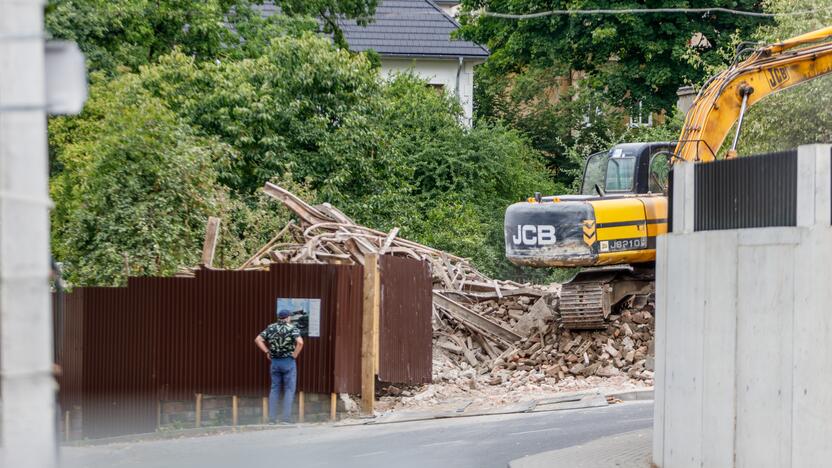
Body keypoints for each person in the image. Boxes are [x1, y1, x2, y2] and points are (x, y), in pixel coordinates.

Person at [255, 309, 304, 423]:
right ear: (288, 318)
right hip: (288, 362)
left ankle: (272, 419)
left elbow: (258, 340)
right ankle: (286, 419)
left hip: (275, 362)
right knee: (289, 389)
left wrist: (267, 352)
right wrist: (294, 355)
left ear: (279, 317)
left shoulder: (271, 328)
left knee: (275, 389)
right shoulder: (292, 328)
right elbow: (300, 342)